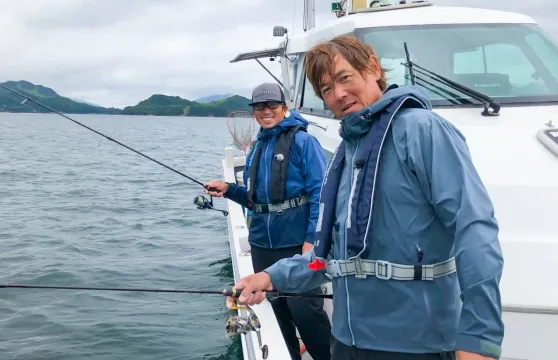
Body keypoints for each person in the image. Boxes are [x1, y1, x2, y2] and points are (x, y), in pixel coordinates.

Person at [226, 36, 505, 360]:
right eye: (326, 89)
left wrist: (479, 337)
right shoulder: (346, 152)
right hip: (347, 343)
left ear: (373, 68)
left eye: (344, 78)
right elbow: (333, 257)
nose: (338, 94)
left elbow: (475, 229)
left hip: (416, 346)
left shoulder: (422, 130)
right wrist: (270, 277)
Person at [205, 82, 332, 360]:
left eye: (272, 105)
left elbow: (320, 195)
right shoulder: (257, 147)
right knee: (277, 313)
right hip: (262, 242)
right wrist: (228, 189)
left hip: (295, 243)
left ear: (284, 107)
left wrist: (311, 241)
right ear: (254, 112)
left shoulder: (303, 142)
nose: (266, 111)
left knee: (307, 312)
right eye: (259, 107)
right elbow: (254, 200)